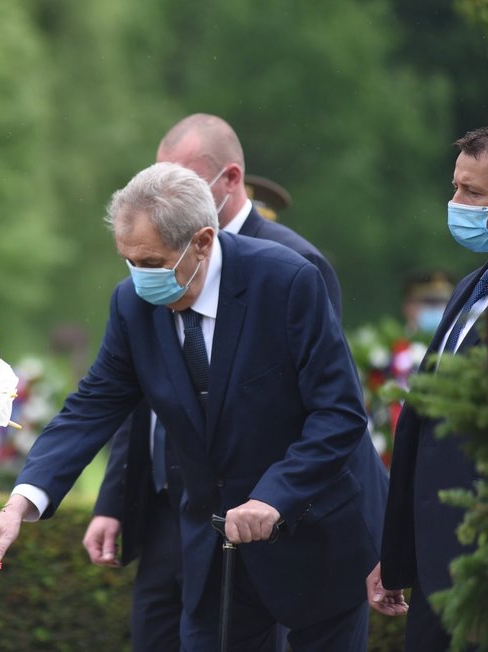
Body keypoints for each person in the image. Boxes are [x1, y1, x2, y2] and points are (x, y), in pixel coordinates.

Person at [0, 163, 388, 650]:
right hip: (215, 555)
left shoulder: (286, 282)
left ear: (201, 241)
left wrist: (273, 496)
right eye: (128, 261)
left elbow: (339, 414)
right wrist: (21, 501)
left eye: (152, 263)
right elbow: (92, 405)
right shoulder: (131, 304)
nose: (139, 278)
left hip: (315, 537)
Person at [85, 113, 344, 651]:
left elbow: (331, 407)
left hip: (294, 522)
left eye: (183, 182)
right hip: (187, 515)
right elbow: (117, 399)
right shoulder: (141, 292)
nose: (139, 275)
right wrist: (45, 497)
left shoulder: (293, 271)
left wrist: (275, 496)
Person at [370, 123, 488, 650]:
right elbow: (422, 429)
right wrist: (396, 554)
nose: (456, 203)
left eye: (474, 193)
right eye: (455, 187)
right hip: (434, 569)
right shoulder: (472, 288)